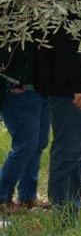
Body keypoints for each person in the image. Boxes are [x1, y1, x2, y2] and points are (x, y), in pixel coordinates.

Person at [33, 4, 81, 219]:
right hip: (70, 90)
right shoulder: (66, 0)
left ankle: (74, 202)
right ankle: (64, 209)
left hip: (79, 89)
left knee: (78, 150)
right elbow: (66, 45)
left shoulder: (79, 0)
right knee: (69, 150)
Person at [0, 38, 50, 214]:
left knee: (38, 144)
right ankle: (2, 199)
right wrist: (12, 79)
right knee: (25, 145)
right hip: (18, 89)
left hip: (40, 89)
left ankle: (28, 197)